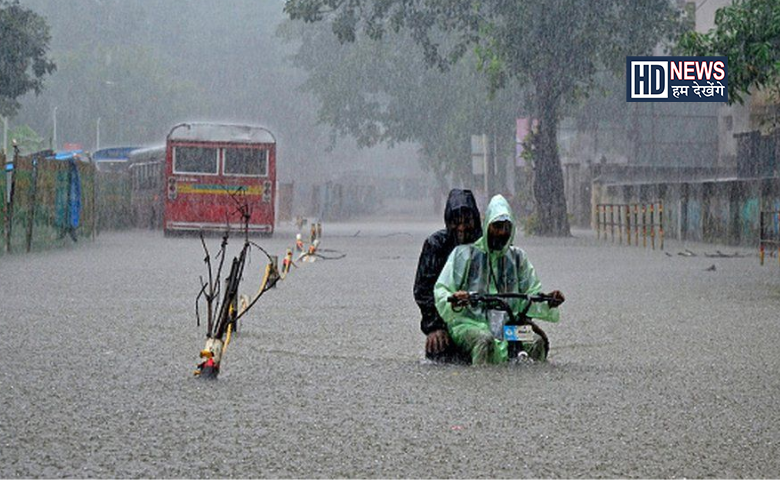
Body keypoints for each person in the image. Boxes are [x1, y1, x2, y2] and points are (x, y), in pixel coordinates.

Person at [434, 194, 565, 364]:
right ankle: (481, 384)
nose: (502, 232)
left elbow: (531, 293)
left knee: (536, 342)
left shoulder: (518, 258)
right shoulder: (464, 254)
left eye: (506, 227)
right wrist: (454, 299)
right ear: (487, 225)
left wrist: (549, 301)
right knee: (484, 340)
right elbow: (442, 289)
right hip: (470, 324)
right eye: (497, 226)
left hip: (508, 328)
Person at [414, 189, 482, 362]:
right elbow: (423, 290)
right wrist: (434, 326)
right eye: (455, 222)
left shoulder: (486, 244)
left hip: (485, 318)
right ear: (447, 221)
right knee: (439, 347)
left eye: (467, 221)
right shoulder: (435, 245)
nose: (462, 228)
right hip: (447, 320)